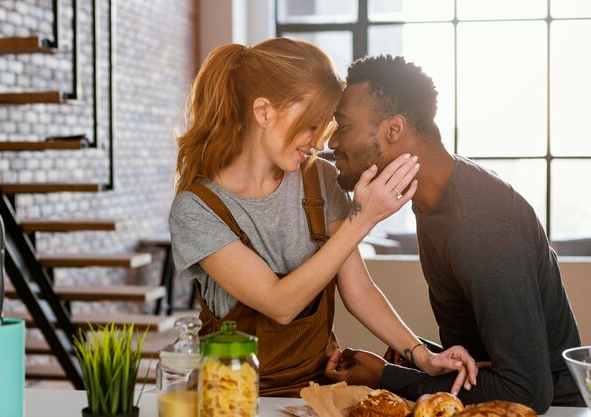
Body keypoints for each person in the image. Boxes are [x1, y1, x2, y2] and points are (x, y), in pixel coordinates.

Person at [169, 38, 477, 398]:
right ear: (264, 111)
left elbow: (358, 291)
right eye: (310, 126)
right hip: (231, 398)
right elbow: (280, 304)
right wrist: (362, 220)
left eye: (325, 127)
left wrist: (423, 356)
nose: (318, 144)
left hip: (316, 391)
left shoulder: (320, 180)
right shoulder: (198, 208)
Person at [324, 54, 584, 412]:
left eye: (343, 125)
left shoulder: (479, 226)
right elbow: (481, 357)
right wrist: (415, 357)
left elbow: (526, 390)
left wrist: (387, 377)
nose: (332, 141)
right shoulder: (434, 196)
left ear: (394, 129)